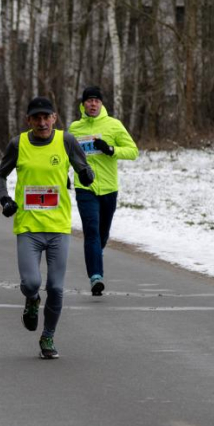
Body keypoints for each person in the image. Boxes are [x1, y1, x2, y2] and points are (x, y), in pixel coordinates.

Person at [0, 96, 94, 359]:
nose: (41, 122)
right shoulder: (19, 144)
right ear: (28, 120)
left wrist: (86, 174)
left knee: (57, 288)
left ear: (54, 117)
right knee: (31, 282)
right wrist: (5, 199)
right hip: (28, 227)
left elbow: (85, 168)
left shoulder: (66, 141)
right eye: (36, 118)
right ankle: (32, 299)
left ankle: (48, 337)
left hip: (59, 227)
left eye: (45, 117)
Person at [68, 86, 138, 296]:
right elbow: (67, 155)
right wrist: (64, 175)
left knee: (102, 234)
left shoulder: (114, 125)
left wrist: (110, 149)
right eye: (89, 100)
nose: (92, 104)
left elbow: (133, 151)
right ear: (83, 104)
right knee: (91, 231)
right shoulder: (75, 128)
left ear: (101, 103)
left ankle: (95, 254)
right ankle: (96, 277)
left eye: (96, 100)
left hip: (108, 188)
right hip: (85, 188)